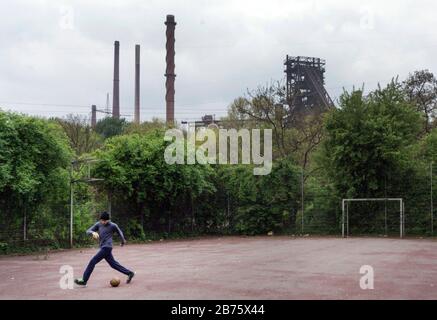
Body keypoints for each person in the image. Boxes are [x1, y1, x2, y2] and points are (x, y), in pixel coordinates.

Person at [74, 212, 135, 286]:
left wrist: (122, 241)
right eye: (102, 220)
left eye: (105, 221)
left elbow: (120, 232)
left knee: (92, 261)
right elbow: (88, 231)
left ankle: (84, 280)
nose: (103, 222)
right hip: (103, 247)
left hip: (107, 247)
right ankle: (129, 273)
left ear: (108, 220)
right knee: (113, 264)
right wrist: (92, 233)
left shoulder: (113, 225)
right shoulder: (98, 224)